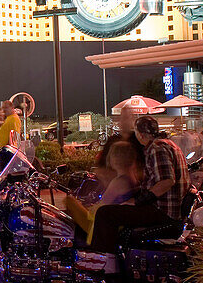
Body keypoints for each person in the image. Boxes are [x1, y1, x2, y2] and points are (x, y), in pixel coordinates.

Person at [86, 116, 190, 253]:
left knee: (105, 213)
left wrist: (137, 201)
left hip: (162, 211)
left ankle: (103, 259)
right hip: (168, 208)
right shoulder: (170, 144)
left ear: (140, 134)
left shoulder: (156, 148)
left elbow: (167, 181)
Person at [65, 141, 142, 236]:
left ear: (114, 158)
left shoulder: (119, 181)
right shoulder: (132, 177)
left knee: (69, 201)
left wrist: (84, 206)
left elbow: (102, 206)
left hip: (100, 225)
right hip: (118, 220)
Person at [94, 105, 144, 187]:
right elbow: (100, 166)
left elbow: (144, 167)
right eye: (123, 118)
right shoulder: (111, 141)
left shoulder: (138, 141)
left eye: (127, 118)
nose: (125, 121)